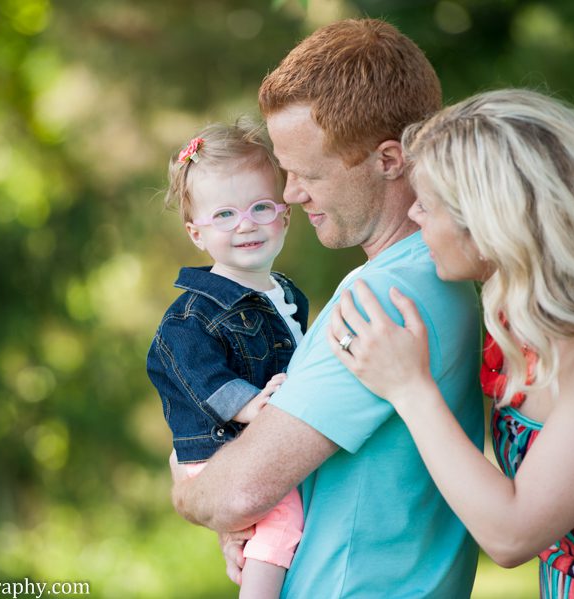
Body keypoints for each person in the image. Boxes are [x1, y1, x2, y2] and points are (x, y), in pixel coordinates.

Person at [169, 19, 485, 597]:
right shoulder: (436, 274)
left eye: (307, 172)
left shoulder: (385, 299)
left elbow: (240, 490)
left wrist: (187, 489)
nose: (289, 194)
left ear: (389, 159)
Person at [327, 88, 574, 598]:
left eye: (427, 206)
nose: (413, 217)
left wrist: (409, 389)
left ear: (489, 220)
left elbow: (511, 532)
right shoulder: (515, 311)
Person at [146, 120, 309, 598]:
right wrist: (252, 406)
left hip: (249, 440)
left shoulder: (288, 294)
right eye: (225, 215)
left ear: (285, 215)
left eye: (261, 207)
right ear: (196, 233)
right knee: (282, 518)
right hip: (216, 447)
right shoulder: (192, 316)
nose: (246, 224)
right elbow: (198, 375)